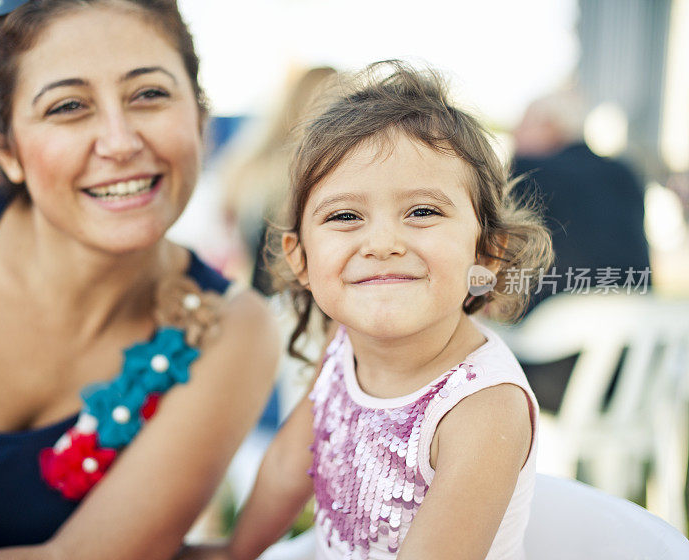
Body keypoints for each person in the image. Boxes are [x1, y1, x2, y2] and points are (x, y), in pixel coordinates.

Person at [0, 0, 279, 557]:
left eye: (149, 94)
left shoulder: (231, 329)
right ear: (6, 149)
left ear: (199, 114)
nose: (119, 142)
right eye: (69, 107)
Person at [179, 61, 553, 560]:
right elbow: (291, 464)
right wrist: (235, 552)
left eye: (422, 212)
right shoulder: (345, 345)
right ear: (301, 259)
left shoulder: (482, 408)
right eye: (345, 216)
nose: (381, 243)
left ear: (486, 251)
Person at [512, 92, 651, 412]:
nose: (515, 136)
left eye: (522, 125)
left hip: (552, 372)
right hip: (631, 374)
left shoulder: (529, 169)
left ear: (548, 126)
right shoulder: (625, 173)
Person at [218, 66, 338, 295]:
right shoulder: (310, 173)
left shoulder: (250, 166)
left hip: (257, 293)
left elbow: (235, 235)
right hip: (298, 298)